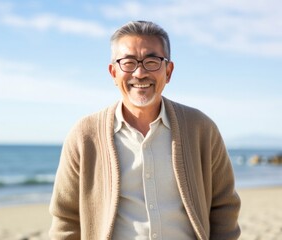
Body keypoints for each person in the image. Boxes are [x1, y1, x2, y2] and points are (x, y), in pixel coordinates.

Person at [49, 20, 241, 240]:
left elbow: (224, 206)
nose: (139, 73)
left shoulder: (201, 129)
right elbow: (65, 219)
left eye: (151, 61)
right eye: (128, 63)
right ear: (113, 73)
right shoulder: (84, 136)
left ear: (168, 71)